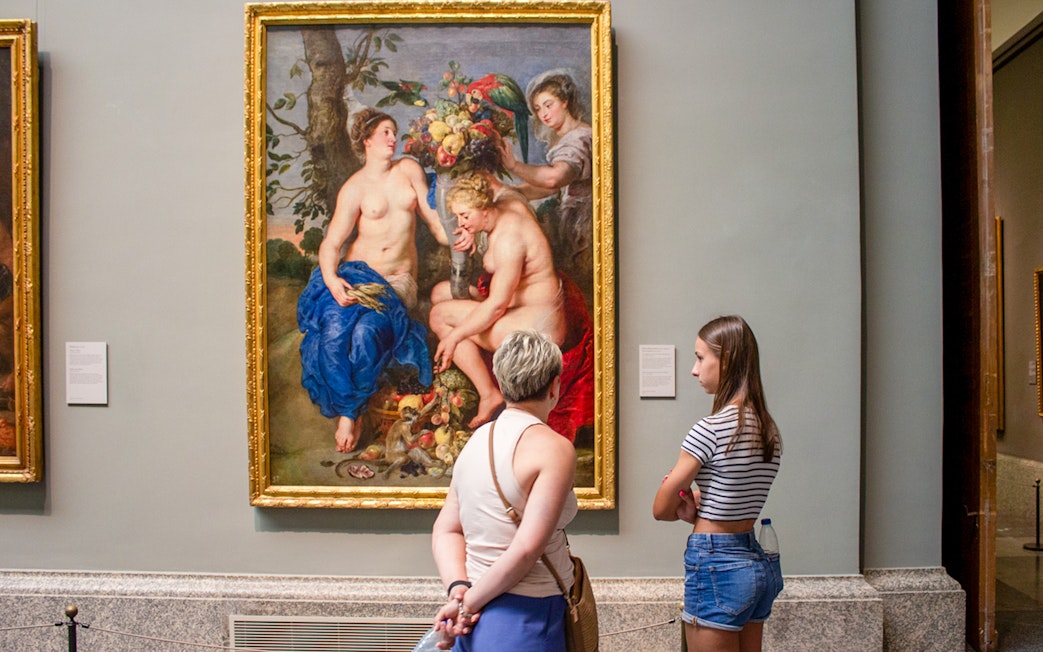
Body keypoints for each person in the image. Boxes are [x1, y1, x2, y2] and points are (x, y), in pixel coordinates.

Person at [297, 108, 472, 454]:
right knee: (333, 334)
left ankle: (349, 411)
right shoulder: (354, 187)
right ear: (366, 140)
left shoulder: (408, 170)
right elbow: (332, 243)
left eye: (394, 132)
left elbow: (436, 223)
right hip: (355, 276)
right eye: (385, 133)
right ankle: (350, 411)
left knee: (367, 334)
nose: (393, 139)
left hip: (396, 283)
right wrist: (332, 280)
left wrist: (459, 236)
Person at [430, 330, 578, 651]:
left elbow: (446, 529)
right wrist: (467, 602)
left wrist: (459, 590)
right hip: (528, 616)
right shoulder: (555, 448)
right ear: (554, 385)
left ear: (498, 381)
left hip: (473, 622)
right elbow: (525, 550)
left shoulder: (476, 441)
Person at [652, 315, 783, 652]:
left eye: (700, 358)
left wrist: (682, 503)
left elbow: (660, 508)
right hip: (753, 559)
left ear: (725, 360)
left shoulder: (710, 429)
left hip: (716, 563)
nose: (695, 370)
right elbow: (734, 495)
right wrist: (698, 507)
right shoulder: (768, 431)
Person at [429, 173, 568, 429]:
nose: (460, 223)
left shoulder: (509, 238)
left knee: (439, 317)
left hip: (537, 324)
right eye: (458, 215)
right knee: (440, 292)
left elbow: (496, 306)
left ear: (484, 209)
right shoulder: (507, 201)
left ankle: (488, 394)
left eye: (465, 216)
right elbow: (489, 181)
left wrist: (454, 337)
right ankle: (487, 390)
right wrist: (473, 232)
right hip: (517, 307)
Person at [498, 70, 593, 295]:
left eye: (548, 105)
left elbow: (554, 178)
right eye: (538, 109)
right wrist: (511, 191)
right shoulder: (564, 137)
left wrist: (514, 166)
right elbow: (548, 185)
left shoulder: (579, 139)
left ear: (565, 102)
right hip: (572, 220)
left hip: (584, 222)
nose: (543, 114)